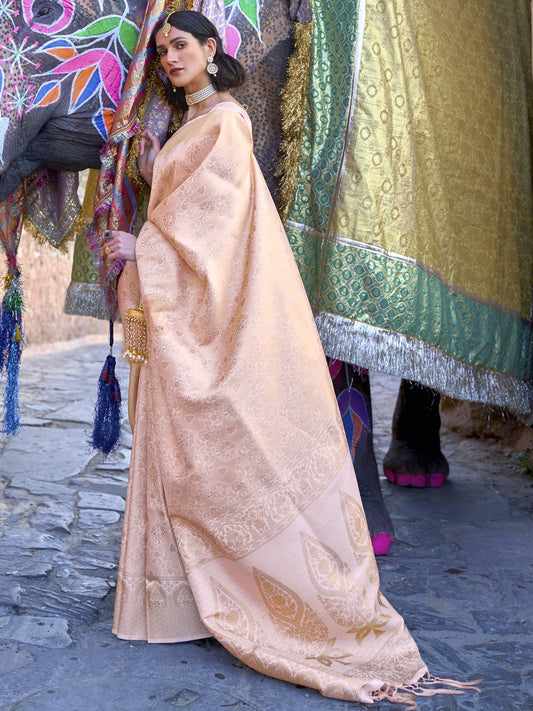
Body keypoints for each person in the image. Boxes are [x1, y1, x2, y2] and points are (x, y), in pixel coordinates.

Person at [103, 10, 478, 706]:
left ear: (212, 50)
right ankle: (177, 600)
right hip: (182, 305)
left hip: (206, 312)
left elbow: (210, 236)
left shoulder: (224, 124)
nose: (170, 58)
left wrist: (141, 251)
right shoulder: (192, 128)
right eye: (161, 50)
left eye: (180, 45)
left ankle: (248, 594)